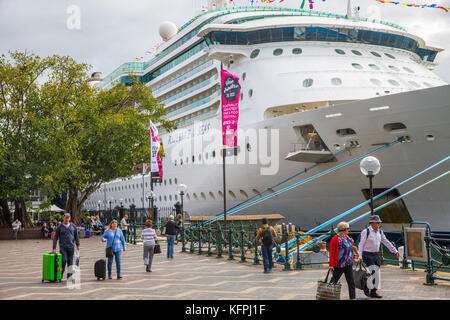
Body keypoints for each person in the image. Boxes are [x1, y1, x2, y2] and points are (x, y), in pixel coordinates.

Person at [357, 215, 400, 299]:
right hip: (367, 254)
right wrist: (360, 255)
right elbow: (361, 244)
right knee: (374, 272)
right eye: (377, 223)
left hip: (376, 254)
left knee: (376, 273)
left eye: (379, 223)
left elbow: (386, 241)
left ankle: (372, 291)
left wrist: (395, 251)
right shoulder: (366, 231)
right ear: (372, 223)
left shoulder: (380, 232)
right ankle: (370, 289)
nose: (379, 224)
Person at [329, 221, 357, 300]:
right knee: (334, 281)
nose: (348, 230)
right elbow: (332, 252)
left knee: (351, 282)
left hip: (348, 263)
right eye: (348, 229)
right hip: (339, 264)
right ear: (343, 229)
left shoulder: (347, 237)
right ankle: (328, 295)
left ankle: (353, 298)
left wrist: (352, 243)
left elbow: (350, 249)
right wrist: (331, 265)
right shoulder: (335, 239)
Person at [52, 213, 80, 280]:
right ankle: (60, 274)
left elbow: (76, 236)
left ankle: (69, 276)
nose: (67, 219)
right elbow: (55, 237)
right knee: (64, 260)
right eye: (66, 218)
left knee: (70, 262)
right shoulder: (60, 227)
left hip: (71, 247)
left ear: (69, 218)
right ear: (63, 218)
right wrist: (54, 248)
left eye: (68, 218)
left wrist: (78, 245)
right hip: (63, 247)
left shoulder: (73, 226)